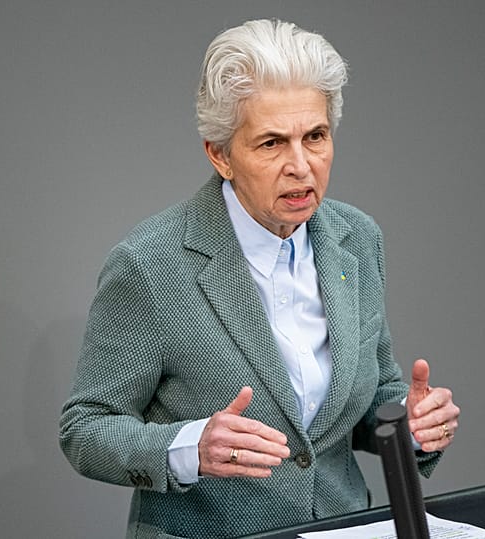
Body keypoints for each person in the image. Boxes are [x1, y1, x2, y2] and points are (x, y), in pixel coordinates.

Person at [59, 18, 460, 539]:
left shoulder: (358, 238)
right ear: (220, 154)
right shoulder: (151, 263)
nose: (301, 165)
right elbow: (86, 428)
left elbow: (369, 398)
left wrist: (408, 421)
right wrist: (190, 449)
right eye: (272, 143)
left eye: (315, 136)